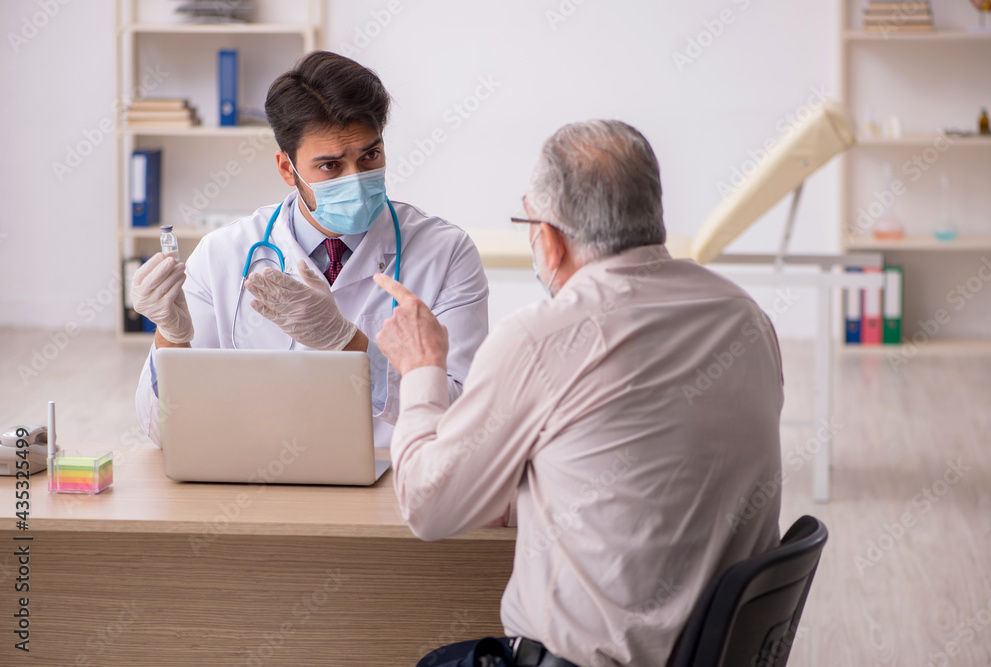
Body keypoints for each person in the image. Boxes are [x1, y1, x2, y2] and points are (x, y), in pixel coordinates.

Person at [372, 120, 785, 667]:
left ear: (549, 238)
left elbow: (428, 508)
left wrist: (421, 367)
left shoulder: (541, 337)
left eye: (527, 222)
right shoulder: (747, 319)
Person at [130, 51, 489, 448]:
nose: (356, 179)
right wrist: (171, 339)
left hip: (393, 483)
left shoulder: (446, 252)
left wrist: (348, 344)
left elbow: (464, 418)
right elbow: (165, 434)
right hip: (257, 481)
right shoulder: (222, 255)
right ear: (287, 169)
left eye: (370, 155)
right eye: (331, 166)